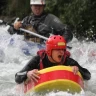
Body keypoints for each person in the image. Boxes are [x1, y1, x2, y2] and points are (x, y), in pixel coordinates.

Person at [15, 35, 91, 84]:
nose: (62, 52)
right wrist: (27, 73)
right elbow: (17, 76)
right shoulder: (38, 60)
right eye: (58, 49)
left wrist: (78, 70)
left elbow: (88, 75)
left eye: (63, 49)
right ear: (49, 51)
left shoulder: (68, 61)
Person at [8, 0, 73, 43]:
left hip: (45, 49)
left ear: (44, 6)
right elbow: (10, 32)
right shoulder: (27, 20)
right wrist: (14, 27)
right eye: (35, 5)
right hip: (27, 53)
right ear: (31, 6)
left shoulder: (51, 19)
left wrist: (61, 42)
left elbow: (68, 32)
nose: (37, 8)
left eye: (39, 5)